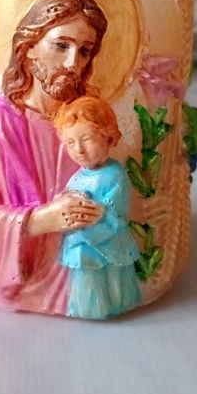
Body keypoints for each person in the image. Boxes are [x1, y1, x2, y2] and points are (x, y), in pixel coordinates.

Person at [0, 0, 109, 314]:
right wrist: (40, 219)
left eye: (84, 51)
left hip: (93, 274)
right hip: (36, 277)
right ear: (29, 49)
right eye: (61, 45)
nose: (73, 63)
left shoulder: (92, 121)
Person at [54, 96, 141, 319]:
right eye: (70, 143)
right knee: (87, 287)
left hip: (108, 245)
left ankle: (114, 306)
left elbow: (115, 214)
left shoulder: (115, 175)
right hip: (81, 248)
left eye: (87, 139)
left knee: (112, 284)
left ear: (108, 138)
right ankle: (88, 310)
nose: (79, 150)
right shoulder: (76, 178)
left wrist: (94, 217)